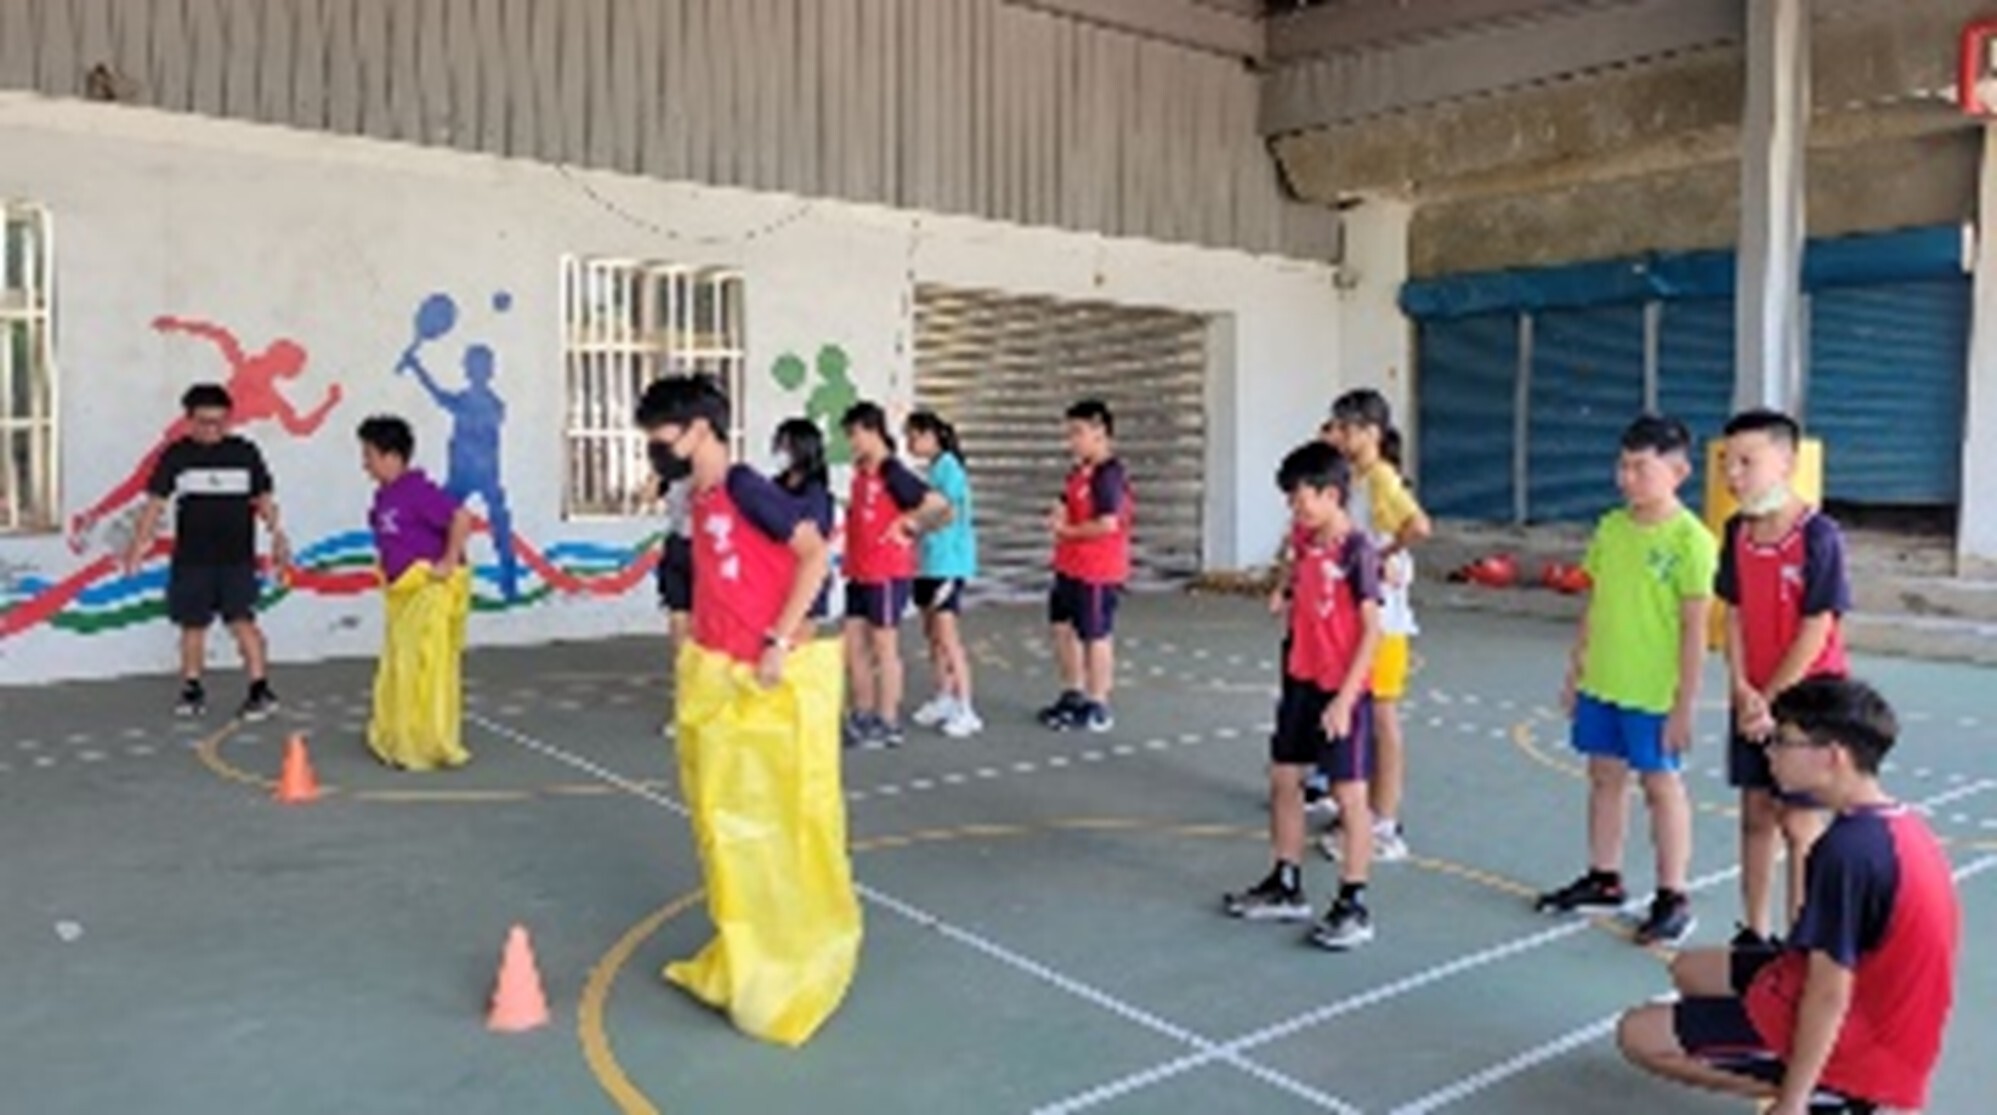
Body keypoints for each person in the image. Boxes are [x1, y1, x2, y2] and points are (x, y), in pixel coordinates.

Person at [635, 373, 859, 1047]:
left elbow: (814, 556)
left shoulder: (744, 487)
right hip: (721, 680)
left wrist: (778, 640)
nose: (655, 448)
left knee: (777, 830)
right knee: (724, 829)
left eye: (661, 436)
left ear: (699, 429)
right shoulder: (700, 496)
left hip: (763, 685)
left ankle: (791, 967)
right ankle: (745, 954)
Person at [1616, 678, 1960, 1115]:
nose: (1769, 752)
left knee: (1637, 1034)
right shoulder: (1896, 825)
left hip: (1863, 1039)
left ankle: (1831, 1093)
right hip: (1871, 1004)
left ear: (1832, 756)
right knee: (1688, 968)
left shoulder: (1847, 852)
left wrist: (1791, 1101)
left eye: (1783, 741)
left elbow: (1829, 994)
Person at [1535, 413, 1716, 947]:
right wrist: (1577, 670)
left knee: (1661, 786)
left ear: (1678, 471)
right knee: (1604, 776)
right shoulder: (1611, 528)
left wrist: (1684, 705)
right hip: (1604, 682)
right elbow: (1597, 604)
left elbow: (1696, 630)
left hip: (1653, 692)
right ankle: (1604, 877)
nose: (1626, 478)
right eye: (1622, 466)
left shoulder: (1691, 540)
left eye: (1640, 467)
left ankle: (1673, 896)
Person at [1224, 441, 1383, 951]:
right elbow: (1294, 566)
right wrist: (1284, 589)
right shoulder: (1304, 537)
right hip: (1301, 679)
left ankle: (1353, 902)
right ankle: (1285, 883)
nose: (1294, 509)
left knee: (1348, 795)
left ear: (1331, 495)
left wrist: (1345, 699)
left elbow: (1372, 631)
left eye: (1300, 499)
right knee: (1283, 780)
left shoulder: (1357, 552)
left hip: (1341, 690)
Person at [1717, 409, 1852, 945]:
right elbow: (1733, 612)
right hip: (1753, 698)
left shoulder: (1819, 536)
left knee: (1800, 825)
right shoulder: (1736, 531)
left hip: (1808, 703)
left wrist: (1770, 700)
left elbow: (1817, 626)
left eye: (1746, 462)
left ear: (1787, 463)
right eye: (1727, 462)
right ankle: (1754, 931)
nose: (1733, 475)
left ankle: (1801, 941)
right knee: (1755, 814)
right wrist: (1740, 686)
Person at [71, 315, 340, 551]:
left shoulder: (267, 394)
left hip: (215, 450)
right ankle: (98, 521)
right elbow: (220, 336)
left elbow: (299, 427)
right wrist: (179, 325)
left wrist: (329, 403)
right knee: (146, 483)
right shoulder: (253, 376)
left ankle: (104, 523)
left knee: (163, 491)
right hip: (188, 438)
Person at [122, 383, 290, 721]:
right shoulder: (176, 456)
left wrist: (278, 536)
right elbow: (155, 504)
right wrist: (138, 547)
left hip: (237, 558)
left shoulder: (245, 452)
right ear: (189, 421)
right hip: (193, 558)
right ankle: (192, 688)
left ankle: (260, 689)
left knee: (242, 621)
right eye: (204, 422)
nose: (212, 429)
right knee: (192, 625)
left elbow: (264, 500)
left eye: (219, 422)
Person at [1319, 389, 1430, 863]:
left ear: (1371, 432)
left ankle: (1384, 822)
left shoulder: (1382, 476)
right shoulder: (1357, 479)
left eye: (1346, 428)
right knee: (1361, 715)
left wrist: (1383, 554)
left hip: (1385, 621)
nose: (1339, 436)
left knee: (1382, 718)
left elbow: (1418, 525)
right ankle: (1361, 811)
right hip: (1360, 618)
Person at [357, 415, 474, 771]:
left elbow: (461, 518)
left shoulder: (418, 491)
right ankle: (399, 734)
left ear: (392, 456)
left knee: (425, 669)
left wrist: (448, 561)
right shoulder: (384, 496)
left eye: (370, 455)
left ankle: (428, 743)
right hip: (403, 595)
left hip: (429, 592)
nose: (365, 464)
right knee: (401, 667)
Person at [840, 402, 951, 749]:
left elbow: (939, 506)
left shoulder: (893, 471)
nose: (852, 442)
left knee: (884, 646)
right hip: (859, 570)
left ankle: (888, 721)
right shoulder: (862, 471)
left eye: (855, 434)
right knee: (853, 645)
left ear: (872, 430)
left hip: (886, 573)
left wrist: (909, 524)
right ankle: (863, 711)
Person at [1039, 399, 1133, 734]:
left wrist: (1067, 531)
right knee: (1063, 628)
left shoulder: (1109, 475)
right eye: (1069, 433)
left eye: (1078, 433)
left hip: (1097, 570)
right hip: (1069, 566)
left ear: (1100, 432)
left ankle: (1098, 704)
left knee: (1095, 635)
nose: (1072, 441)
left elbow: (1107, 524)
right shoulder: (1079, 471)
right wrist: (1057, 513)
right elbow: (1064, 501)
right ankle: (1073, 693)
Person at [904, 410, 982, 739]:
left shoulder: (949, 468)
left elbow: (947, 512)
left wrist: (914, 524)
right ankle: (944, 696)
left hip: (948, 563)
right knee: (933, 636)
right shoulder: (934, 469)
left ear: (932, 436)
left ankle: (966, 708)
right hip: (928, 563)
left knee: (948, 637)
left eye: (914, 436)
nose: (910, 443)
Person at [771, 418, 837, 628]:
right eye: (778, 444)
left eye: (786, 446)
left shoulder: (815, 493)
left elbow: (812, 537)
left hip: (803, 579)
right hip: (774, 578)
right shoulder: (773, 485)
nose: (780, 451)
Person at [650, 440, 696, 737]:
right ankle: (684, 710)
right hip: (677, 548)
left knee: (708, 634)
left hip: (705, 551)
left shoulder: (706, 472)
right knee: (680, 635)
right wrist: (659, 474)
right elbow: (646, 496)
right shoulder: (669, 475)